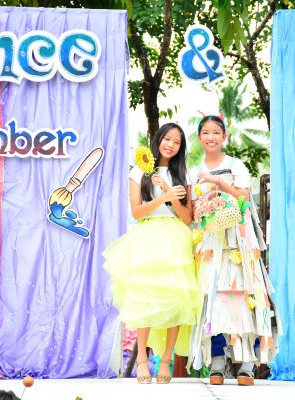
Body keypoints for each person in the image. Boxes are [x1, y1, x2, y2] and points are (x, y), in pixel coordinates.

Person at [187, 115, 282, 386]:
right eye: (206, 133)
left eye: (216, 132)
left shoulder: (235, 165)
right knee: (213, 299)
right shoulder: (194, 170)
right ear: (200, 137)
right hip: (211, 244)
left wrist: (218, 184)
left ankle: (247, 364)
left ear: (224, 136)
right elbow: (193, 211)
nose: (211, 137)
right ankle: (217, 362)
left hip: (239, 241)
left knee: (247, 296)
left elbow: (243, 198)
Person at [103, 123, 199, 384]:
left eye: (177, 142)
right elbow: (137, 212)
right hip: (148, 237)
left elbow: (187, 217)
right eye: (167, 139)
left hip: (176, 237)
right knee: (145, 298)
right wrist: (162, 197)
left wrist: (170, 194)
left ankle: (166, 360)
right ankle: (143, 360)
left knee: (177, 299)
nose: (171, 145)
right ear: (158, 140)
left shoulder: (183, 174)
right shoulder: (139, 171)